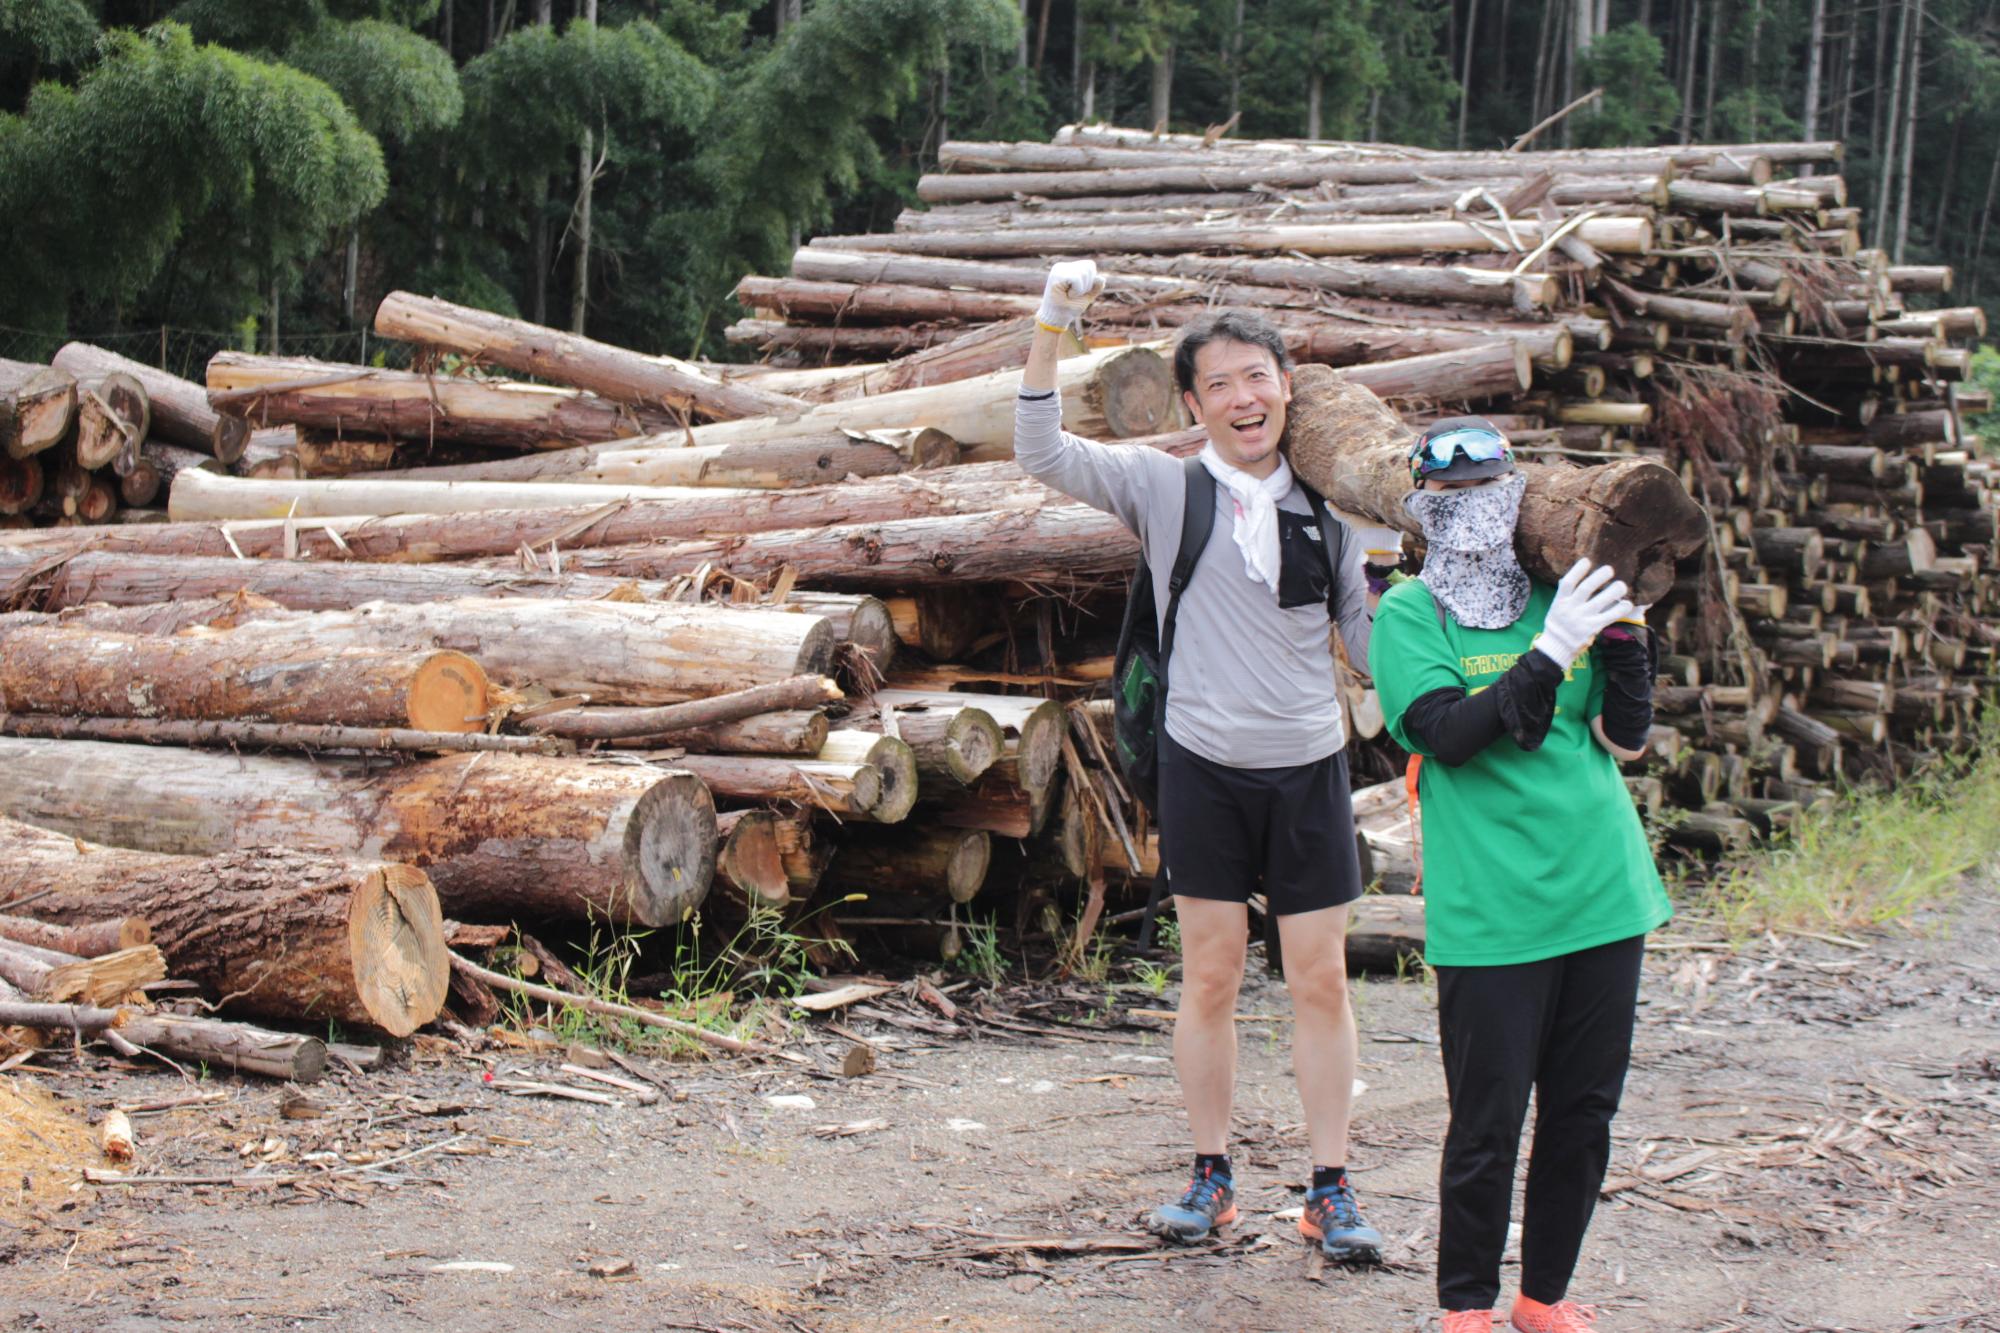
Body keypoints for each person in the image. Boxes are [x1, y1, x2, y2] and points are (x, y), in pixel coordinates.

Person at [1013, 260, 1383, 1262]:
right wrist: (1051, 322)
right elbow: (1039, 448)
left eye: (1256, 376)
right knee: (1210, 975)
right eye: (1218, 383)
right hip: (1203, 767)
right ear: (1192, 403)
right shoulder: (1166, 488)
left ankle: (1329, 1188)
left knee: (1320, 980)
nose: (1241, 397)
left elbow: (1366, 647)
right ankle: (1210, 1175)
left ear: (1287, 387)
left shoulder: (1334, 509)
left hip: (1308, 767)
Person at [1366, 418, 1672, 1332]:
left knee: (1583, 1110)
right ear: (1421, 506)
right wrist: (1548, 652)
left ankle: (1544, 1295)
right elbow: (1447, 734)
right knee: (1487, 1118)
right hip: (1492, 905)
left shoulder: (1560, 587)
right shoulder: (1410, 613)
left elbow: (1623, 739)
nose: (1471, 507)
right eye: (1449, 493)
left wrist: (1622, 640)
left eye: (1489, 491)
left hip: (1602, 888)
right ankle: (1467, 1301)